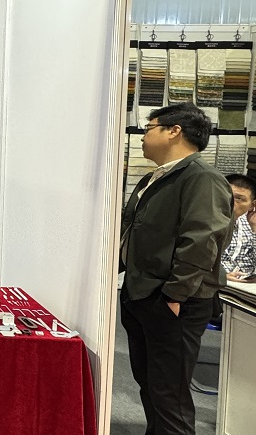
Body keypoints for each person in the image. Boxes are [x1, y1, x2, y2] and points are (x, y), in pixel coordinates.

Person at [120, 102, 233, 435]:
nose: (143, 136)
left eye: (148, 128)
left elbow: (202, 241)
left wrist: (175, 295)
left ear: (174, 130)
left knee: (170, 395)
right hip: (144, 294)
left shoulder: (202, 178)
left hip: (174, 301)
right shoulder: (156, 177)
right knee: (152, 386)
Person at [223, 174, 256, 282]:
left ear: (252, 205)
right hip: (216, 283)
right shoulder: (205, 222)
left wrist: (254, 228)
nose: (231, 202)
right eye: (227, 195)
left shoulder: (249, 223)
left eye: (239, 199)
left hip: (245, 285)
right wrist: (221, 276)